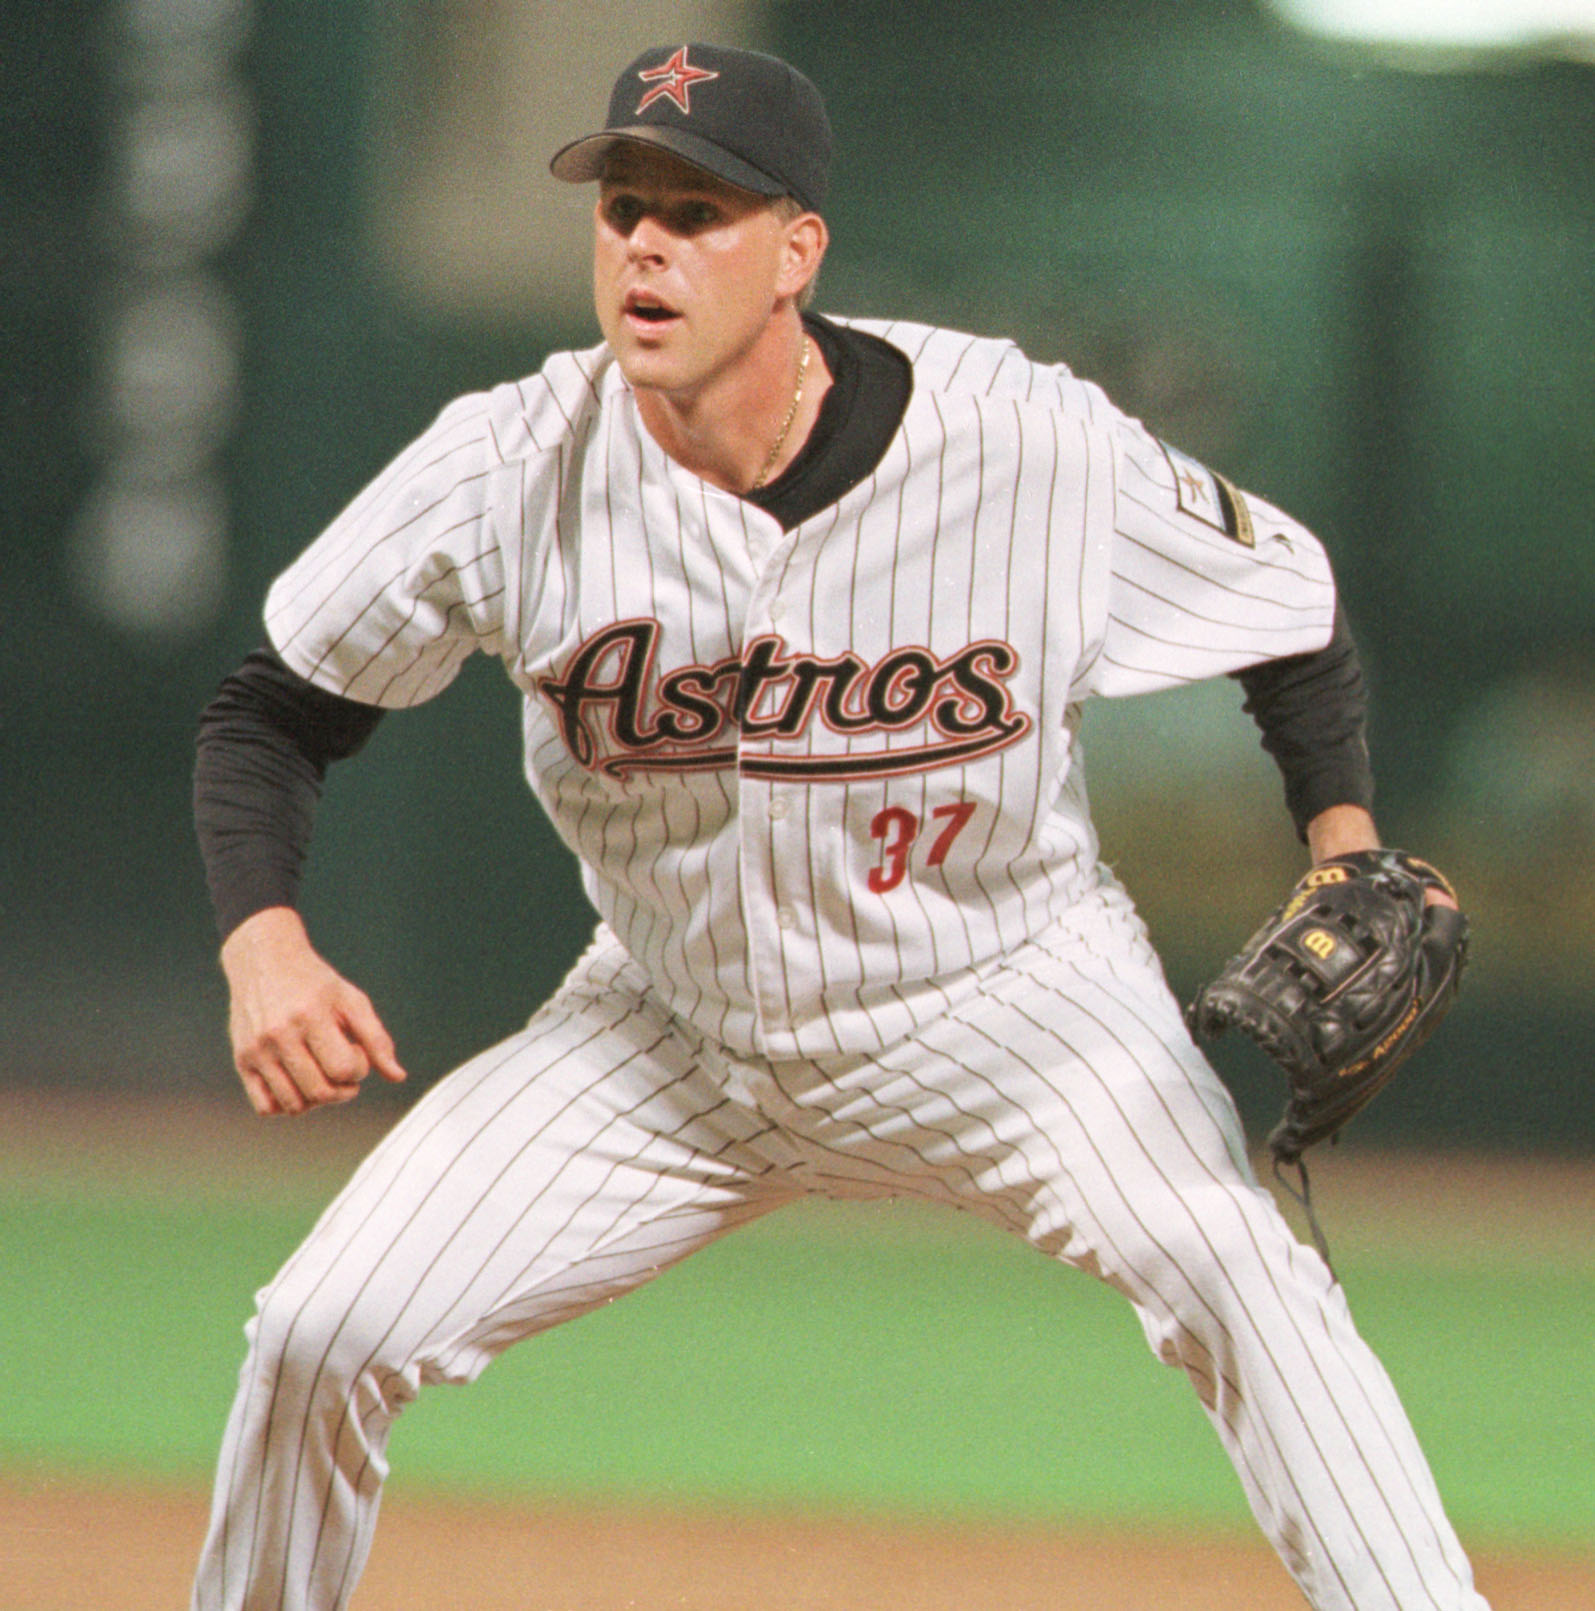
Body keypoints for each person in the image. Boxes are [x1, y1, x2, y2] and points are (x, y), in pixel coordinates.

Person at [191, 42, 1488, 1611]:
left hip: (1016, 1009)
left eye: (698, 211)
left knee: (1243, 1278)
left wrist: (1341, 841)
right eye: (622, 212)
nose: (646, 247)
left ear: (800, 249)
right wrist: (265, 941)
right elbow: (274, 712)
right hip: (670, 1033)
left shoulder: (1026, 442)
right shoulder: (508, 468)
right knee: (323, 1331)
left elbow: (1290, 604)